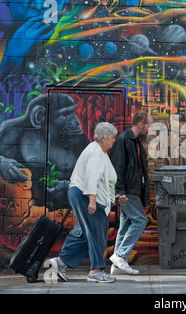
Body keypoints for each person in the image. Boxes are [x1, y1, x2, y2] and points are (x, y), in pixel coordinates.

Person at [49, 122, 118, 283]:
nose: (114, 140)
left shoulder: (98, 150)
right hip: (85, 196)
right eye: (112, 137)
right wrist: (92, 201)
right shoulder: (96, 153)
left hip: (82, 195)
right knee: (95, 234)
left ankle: (61, 262)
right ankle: (96, 271)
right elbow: (91, 178)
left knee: (83, 233)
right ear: (103, 137)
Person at [109, 111, 153, 275]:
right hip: (126, 191)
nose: (149, 128)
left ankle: (117, 266)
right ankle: (120, 255)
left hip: (133, 190)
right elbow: (117, 167)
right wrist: (119, 191)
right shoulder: (123, 140)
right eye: (148, 125)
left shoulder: (135, 141)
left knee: (125, 225)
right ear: (141, 125)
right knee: (141, 220)